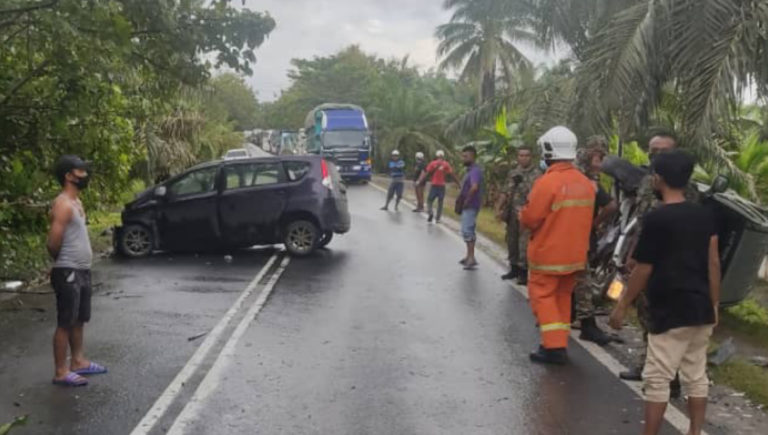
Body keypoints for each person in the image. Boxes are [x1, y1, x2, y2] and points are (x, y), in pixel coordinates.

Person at [608, 150, 719, 435]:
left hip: (670, 309)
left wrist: (622, 304)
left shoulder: (658, 219)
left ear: (658, 178)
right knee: (696, 376)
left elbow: (643, 269)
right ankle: (694, 432)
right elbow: (713, 261)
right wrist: (714, 304)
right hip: (700, 307)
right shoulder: (705, 215)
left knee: (657, 378)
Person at [620, 130, 700, 382]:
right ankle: (651, 365)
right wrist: (632, 253)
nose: (655, 156)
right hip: (646, 256)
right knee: (646, 313)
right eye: (652, 151)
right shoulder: (648, 182)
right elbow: (641, 221)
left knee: (667, 317)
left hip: (672, 263)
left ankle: (669, 374)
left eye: (662, 152)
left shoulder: (688, 189)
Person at [520, 126, 595, 365]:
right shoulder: (585, 183)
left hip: (548, 255)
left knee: (543, 297)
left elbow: (531, 218)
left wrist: (521, 214)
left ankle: (553, 348)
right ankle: (559, 341)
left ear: (548, 150)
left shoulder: (547, 183)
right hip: (574, 256)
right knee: (562, 297)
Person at [48, 155, 107, 387]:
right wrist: (61, 263)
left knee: (79, 319)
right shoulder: (62, 204)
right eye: (80, 171)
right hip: (68, 271)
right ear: (68, 176)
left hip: (82, 270)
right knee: (65, 321)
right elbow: (53, 242)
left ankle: (79, 361)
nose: (85, 175)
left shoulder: (77, 203)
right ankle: (61, 371)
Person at [572, 137, 618, 346]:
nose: (600, 162)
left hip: (572, 236)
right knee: (582, 281)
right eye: (599, 157)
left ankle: (573, 317)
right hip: (579, 237)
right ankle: (586, 324)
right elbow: (611, 206)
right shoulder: (588, 181)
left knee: (577, 278)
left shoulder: (578, 178)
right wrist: (595, 222)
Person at [495, 146, 542, 285]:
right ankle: (513, 268)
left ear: (531, 157)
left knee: (524, 244)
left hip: (526, 214)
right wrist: (498, 207)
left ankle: (523, 272)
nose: (523, 158)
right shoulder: (513, 172)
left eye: (526, 155)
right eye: (521, 155)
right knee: (511, 241)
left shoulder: (537, 174)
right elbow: (505, 191)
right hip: (511, 213)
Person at [457, 146, 483, 270]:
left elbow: (474, 187)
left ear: (473, 157)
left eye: (466, 156)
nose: (463, 158)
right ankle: (468, 256)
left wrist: (467, 200)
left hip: (471, 205)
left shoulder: (475, 171)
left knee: (468, 231)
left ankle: (471, 257)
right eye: (463, 156)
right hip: (468, 205)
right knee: (466, 230)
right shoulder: (470, 170)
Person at [418, 150, 458, 223]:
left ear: (436, 156)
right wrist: (458, 183)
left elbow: (427, 173)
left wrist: (420, 181)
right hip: (442, 186)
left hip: (434, 185)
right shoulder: (446, 164)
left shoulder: (432, 163)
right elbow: (452, 174)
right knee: (440, 202)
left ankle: (431, 212)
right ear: (443, 156)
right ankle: (438, 218)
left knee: (429, 200)